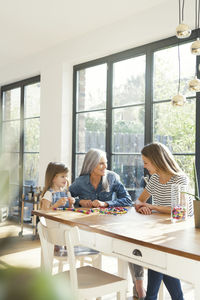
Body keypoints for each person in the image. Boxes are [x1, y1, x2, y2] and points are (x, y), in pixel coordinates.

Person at [69, 148, 146, 300]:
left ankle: (139, 286)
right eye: (101, 164)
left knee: (132, 244)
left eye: (106, 163)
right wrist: (79, 201)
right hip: (89, 232)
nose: (105, 167)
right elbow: (67, 197)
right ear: (91, 166)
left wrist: (106, 203)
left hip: (111, 228)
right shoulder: (80, 182)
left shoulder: (112, 178)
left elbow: (127, 200)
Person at [135, 142, 192, 300]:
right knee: (161, 261)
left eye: (146, 163)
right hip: (160, 232)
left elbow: (181, 210)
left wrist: (152, 207)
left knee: (158, 258)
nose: (145, 167)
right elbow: (139, 201)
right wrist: (143, 207)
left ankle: (151, 298)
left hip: (179, 233)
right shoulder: (154, 179)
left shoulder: (180, 179)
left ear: (157, 160)